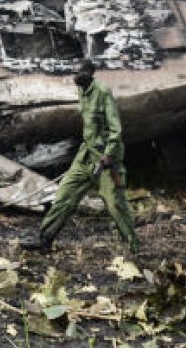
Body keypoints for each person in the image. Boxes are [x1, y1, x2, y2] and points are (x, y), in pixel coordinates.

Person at [19, 60, 138, 254]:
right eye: (73, 72)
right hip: (85, 156)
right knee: (64, 195)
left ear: (91, 72)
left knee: (116, 205)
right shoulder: (82, 92)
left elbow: (115, 129)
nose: (75, 76)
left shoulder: (103, 92)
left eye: (80, 72)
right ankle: (45, 240)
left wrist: (109, 155)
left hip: (105, 161)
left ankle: (134, 248)